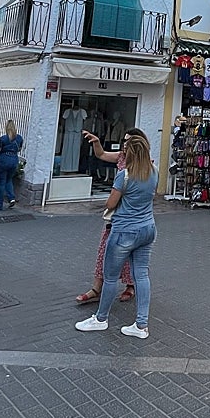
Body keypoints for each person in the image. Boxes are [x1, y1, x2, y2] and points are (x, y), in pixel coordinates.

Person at [76, 132, 157, 338]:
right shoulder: (153, 171)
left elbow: (110, 203)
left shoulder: (125, 175)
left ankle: (101, 319)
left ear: (130, 152)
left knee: (110, 277)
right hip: (147, 228)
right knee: (141, 275)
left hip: (124, 230)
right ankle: (141, 325)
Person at [75, 129, 135, 305]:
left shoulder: (144, 164)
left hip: (129, 215)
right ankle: (96, 288)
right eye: (124, 140)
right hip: (115, 216)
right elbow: (101, 154)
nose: (125, 144)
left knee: (129, 253)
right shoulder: (121, 157)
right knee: (105, 249)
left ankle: (130, 285)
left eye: (129, 141)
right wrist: (96, 141)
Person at [0, 119, 23, 210]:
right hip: (14, 159)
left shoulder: (3, 138)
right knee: (9, 179)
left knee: (1, 182)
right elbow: (20, 149)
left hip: (4, 159)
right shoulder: (19, 138)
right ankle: (11, 198)